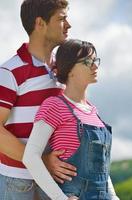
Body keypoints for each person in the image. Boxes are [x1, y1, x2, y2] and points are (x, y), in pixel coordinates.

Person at [23, 39, 120, 200]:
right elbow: (30, 157)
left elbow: (102, 168)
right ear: (69, 69)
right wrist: (60, 198)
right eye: (88, 62)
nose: (95, 66)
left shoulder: (94, 112)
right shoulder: (54, 106)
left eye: (95, 60)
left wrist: (114, 197)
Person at [0, 1, 77, 200]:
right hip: (18, 182)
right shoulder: (10, 71)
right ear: (40, 23)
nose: (68, 25)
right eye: (61, 19)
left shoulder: (65, 71)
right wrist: (41, 161)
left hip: (55, 181)